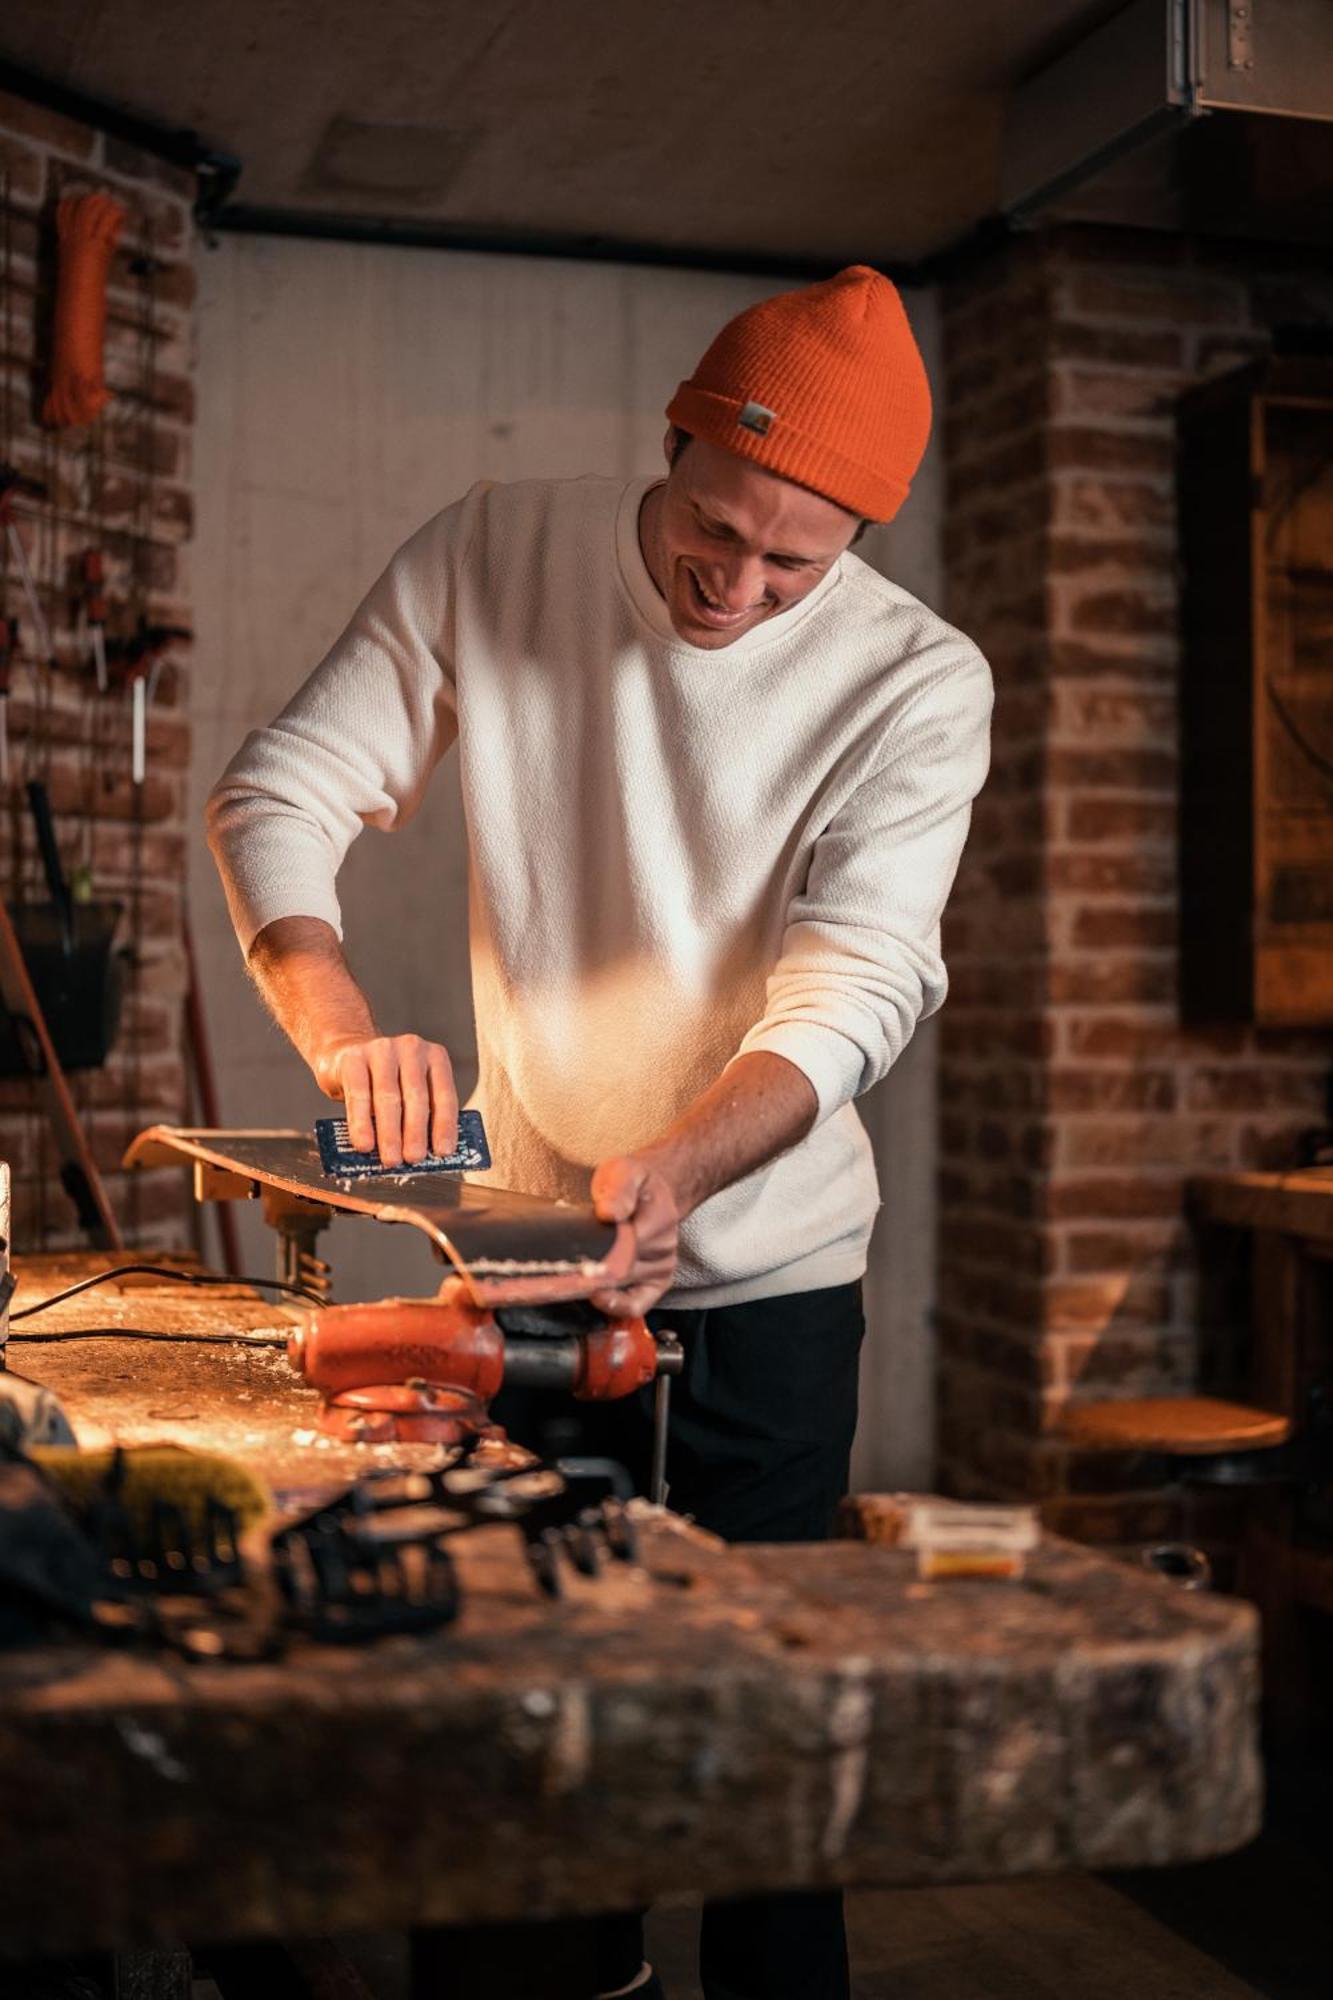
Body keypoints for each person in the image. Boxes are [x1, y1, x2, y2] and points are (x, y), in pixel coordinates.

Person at [208, 264, 992, 2000]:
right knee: (528, 1706)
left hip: (773, 1275)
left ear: (857, 538)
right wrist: (342, 1041)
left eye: (795, 562)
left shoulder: (917, 679)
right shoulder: (496, 548)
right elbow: (278, 790)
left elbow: (859, 982)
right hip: (535, 1253)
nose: (737, 587)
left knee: (765, 1718)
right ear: (674, 444)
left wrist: (690, 1166)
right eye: (714, 530)